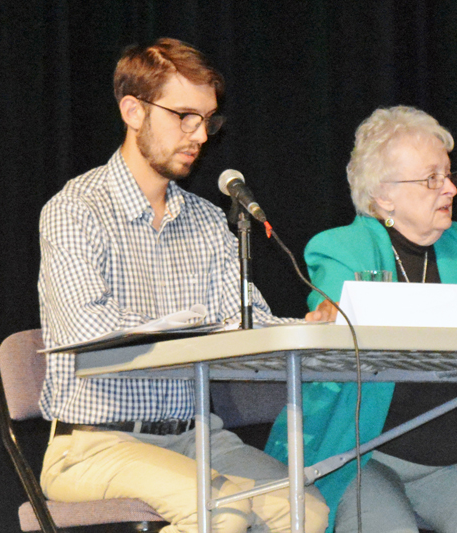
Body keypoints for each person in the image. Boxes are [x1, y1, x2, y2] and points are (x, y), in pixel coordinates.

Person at [37, 38, 329, 533]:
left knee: (305, 509)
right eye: (183, 116)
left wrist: (309, 326)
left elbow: (245, 320)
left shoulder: (207, 220)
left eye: (208, 120)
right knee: (223, 507)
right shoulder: (75, 209)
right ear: (133, 111)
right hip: (94, 443)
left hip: (198, 437)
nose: (199, 135)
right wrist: (189, 329)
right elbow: (84, 326)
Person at [266, 106, 457, 533]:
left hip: (451, 457)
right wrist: (455, 318)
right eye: (432, 179)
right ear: (384, 195)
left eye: (449, 175)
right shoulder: (340, 248)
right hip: (360, 454)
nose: (449, 189)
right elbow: (353, 316)